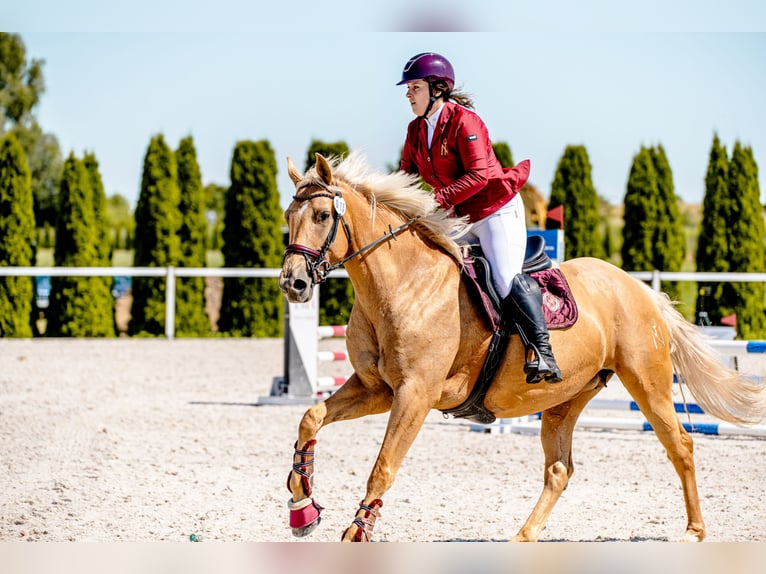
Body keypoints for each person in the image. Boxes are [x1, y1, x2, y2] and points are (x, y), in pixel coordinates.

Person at [397, 52, 562, 384]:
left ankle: (543, 351)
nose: (408, 94)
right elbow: (406, 177)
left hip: (494, 210)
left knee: (502, 276)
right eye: (409, 88)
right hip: (458, 216)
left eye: (414, 87)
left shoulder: (465, 122)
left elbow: (478, 176)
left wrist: (435, 200)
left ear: (437, 89)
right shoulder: (416, 130)